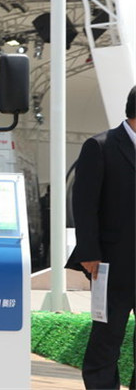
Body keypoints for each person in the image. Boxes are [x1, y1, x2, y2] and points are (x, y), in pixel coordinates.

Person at [66, 85, 136, 390]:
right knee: (107, 338)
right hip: (111, 263)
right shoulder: (100, 146)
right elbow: (84, 205)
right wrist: (89, 252)